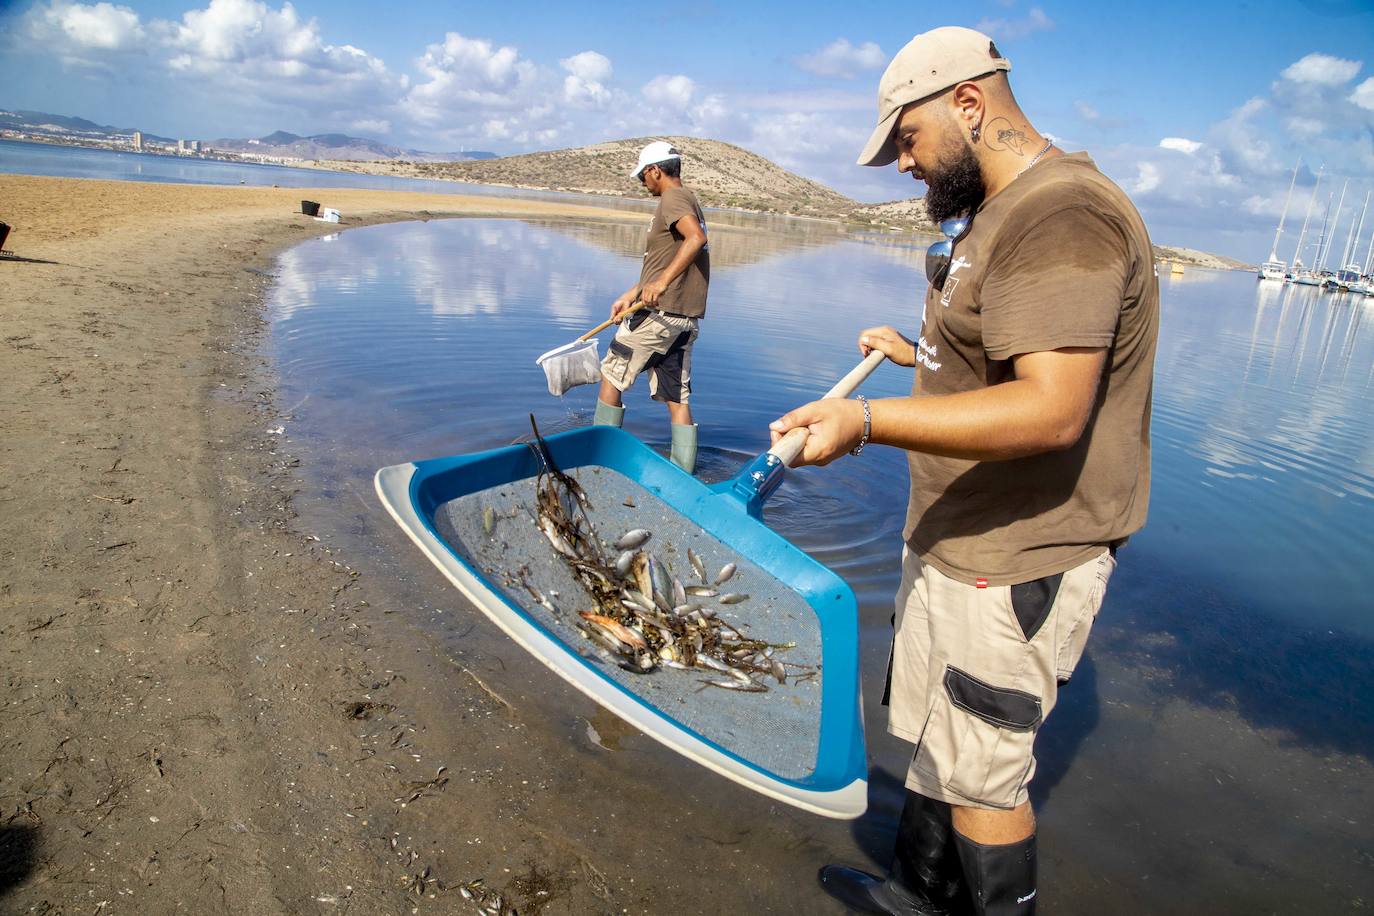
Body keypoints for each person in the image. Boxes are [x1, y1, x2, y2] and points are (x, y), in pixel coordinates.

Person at [768, 27, 1159, 916]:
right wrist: (918, 356)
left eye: (907, 139)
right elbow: (1001, 362)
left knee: (986, 777)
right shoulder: (993, 211)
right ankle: (916, 895)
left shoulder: (1064, 215)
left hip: (1019, 553)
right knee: (942, 744)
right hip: (958, 536)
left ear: (969, 104)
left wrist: (864, 421)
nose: (903, 165)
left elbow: (1054, 408)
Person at [593, 140, 711, 474]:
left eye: (643, 177)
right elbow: (667, 260)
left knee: (611, 375)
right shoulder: (688, 199)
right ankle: (684, 475)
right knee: (677, 397)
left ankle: (598, 460)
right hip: (684, 321)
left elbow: (695, 239)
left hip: (659, 317)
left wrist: (659, 286)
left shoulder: (673, 199)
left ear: (655, 170)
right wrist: (633, 292)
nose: (643, 184)